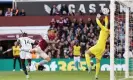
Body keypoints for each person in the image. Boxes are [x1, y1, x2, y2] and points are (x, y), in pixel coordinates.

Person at [85, 13, 110, 80]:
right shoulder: (108, 31)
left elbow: (99, 23)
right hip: (102, 48)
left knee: (87, 53)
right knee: (98, 61)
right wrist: (106, 16)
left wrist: (97, 17)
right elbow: (107, 23)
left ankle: (89, 66)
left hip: (98, 45)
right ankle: (96, 76)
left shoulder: (104, 29)